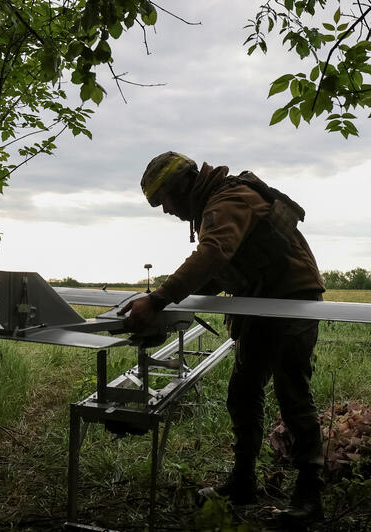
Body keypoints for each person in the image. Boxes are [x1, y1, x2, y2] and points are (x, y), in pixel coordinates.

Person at [120, 151, 326, 522]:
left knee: (292, 392)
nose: (166, 209)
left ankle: (310, 496)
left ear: (184, 183)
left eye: (164, 198)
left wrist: (158, 299)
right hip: (260, 301)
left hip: (292, 299)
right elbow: (219, 271)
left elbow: (213, 254)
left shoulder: (228, 199)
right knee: (243, 391)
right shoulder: (213, 205)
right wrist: (168, 306)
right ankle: (243, 481)